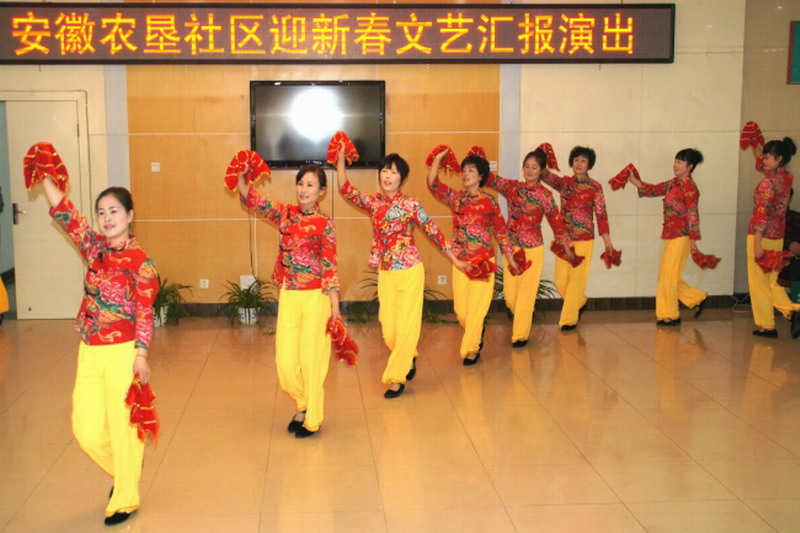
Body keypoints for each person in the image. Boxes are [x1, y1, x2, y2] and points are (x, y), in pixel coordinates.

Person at [39, 176, 158, 526]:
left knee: (123, 427)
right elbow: (65, 213)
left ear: (130, 215)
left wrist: (141, 354)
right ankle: (126, 470)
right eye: (101, 212)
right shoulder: (93, 248)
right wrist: (44, 175)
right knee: (86, 429)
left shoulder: (141, 263)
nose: (107, 218)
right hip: (90, 350)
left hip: (123, 352)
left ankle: (125, 497)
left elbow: (145, 312)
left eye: (114, 211)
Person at [337, 147, 466, 398]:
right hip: (386, 272)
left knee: (406, 325)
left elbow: (434, 232)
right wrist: (341, 159)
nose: (388, 176)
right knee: (389, 329)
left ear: (402, 178)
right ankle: (408, 355)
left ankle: (396, 378)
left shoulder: (411, 205)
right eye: (385, 170)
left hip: (410, 270)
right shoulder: (374, 203)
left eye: (394, 172)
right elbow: (346, 189)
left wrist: (456, 261)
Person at [236, 164, 340, 437]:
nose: (303, 189)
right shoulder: (285, 214)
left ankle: (313, 417)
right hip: (289, 294)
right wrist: (241, 176)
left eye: (310, 185)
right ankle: (303, 402)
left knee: (311, 360)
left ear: (321, 191)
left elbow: (330, 264)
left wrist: (335, 306)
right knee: (286, 363)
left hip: (316, 297)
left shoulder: (325, 222)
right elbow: (255, 200)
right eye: (300, 183)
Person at [427, 150, 516, 364]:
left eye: (471, 170)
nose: (466, 174)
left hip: (484, 261)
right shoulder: (455, 198)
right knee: (461, 312)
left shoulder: (490, 201)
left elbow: (501, 232)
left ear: (481, 176)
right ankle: (477, 331)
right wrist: (437, 160)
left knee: (476, 310)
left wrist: (511, 259)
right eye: (464, 170)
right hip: (460, 261)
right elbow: (433, 184)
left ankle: (471, 349)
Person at [485, 148, 572, 347]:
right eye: (527, 166)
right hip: (511, 250)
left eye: (534, 167)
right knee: (510, 298)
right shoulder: (512, 187)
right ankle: (525, 314)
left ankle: (520, 335)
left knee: (526, 294)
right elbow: (491, 179)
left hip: (533, 249)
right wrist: (479, 161)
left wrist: (565, 244)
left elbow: (556, 222)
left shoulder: (545, 195)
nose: (530, 170)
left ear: (541, 171)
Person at [627, 148, 709, 326]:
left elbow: (693, 216)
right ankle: (696, 298)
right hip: (670, 235)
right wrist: (635, 181)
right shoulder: (673, 183)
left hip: (682, 236)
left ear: (690, 166)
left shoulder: (690, 188)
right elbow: (654, 189)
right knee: (666, 275)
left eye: (680, 162)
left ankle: (670, 315)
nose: (675, 165)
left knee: (668, 277)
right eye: (675, 161)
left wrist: (693, 243)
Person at [542, 146, 616, 331]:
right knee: (560, 281)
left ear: (589, 164)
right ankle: (580, 301)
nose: (579, 163)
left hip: (585, 239)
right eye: (576, 160)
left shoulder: (595, 187)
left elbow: (601, 215)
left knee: (576, 280)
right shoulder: (564, 183)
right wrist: (541, 154)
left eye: (583, 160)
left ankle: (569, 320)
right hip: (564, 238)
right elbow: (544, 175)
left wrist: (607, 242)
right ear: (571, 162)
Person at [747, 137, 800, 338]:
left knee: (758, 282)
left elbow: (761, 214)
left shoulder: (767, 183)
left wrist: (757, 242)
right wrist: (757, 150)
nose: (764, 160)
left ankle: (767, 325)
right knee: (770, 280)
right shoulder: (786, 177)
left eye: (768, 157)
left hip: (761, 235)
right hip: (777, 236)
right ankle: (791, 310)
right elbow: (765, 167)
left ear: (778, 159)